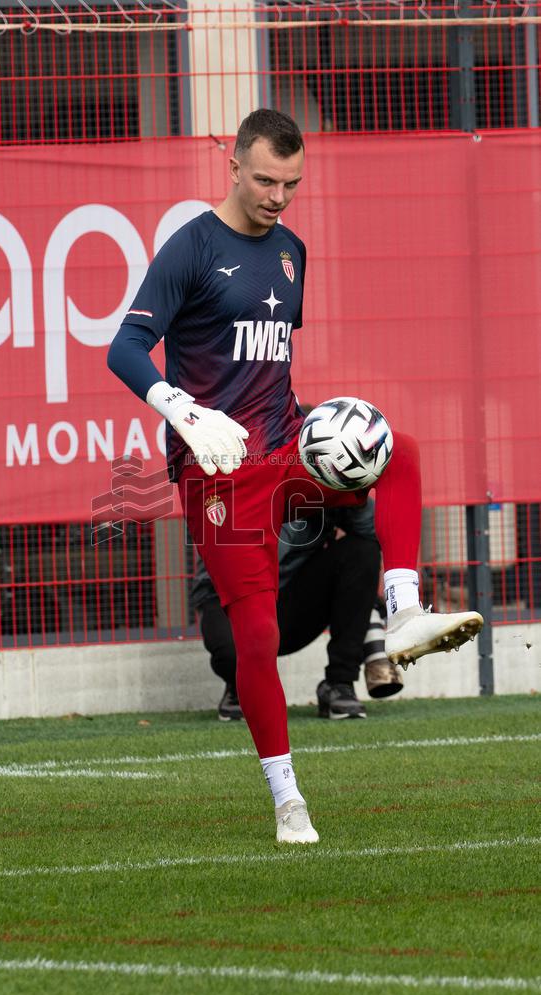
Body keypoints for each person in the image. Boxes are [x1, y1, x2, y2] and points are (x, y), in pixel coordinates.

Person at [107, 108, 483, 845]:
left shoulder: (290, 252)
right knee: (256, 635)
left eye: (291, 184)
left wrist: (322, 430)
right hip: (216, 474)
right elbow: (125, 347)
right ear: (233, 167)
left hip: (285, 456)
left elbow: (268, 368)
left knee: (399, 450)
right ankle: (287, 799)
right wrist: (182, 410)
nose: (278, 197)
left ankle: (403, 611)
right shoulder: (191, 247)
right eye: (265, 181)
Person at [191, 499, 404, 721]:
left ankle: (339, 684)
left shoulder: (320, 487)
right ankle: (239, 687)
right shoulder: (247, 487)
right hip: (230, 595)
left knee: (362, 551)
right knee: (231, 656)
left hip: (288, 603)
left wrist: (353, 497)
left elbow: (376, 532)